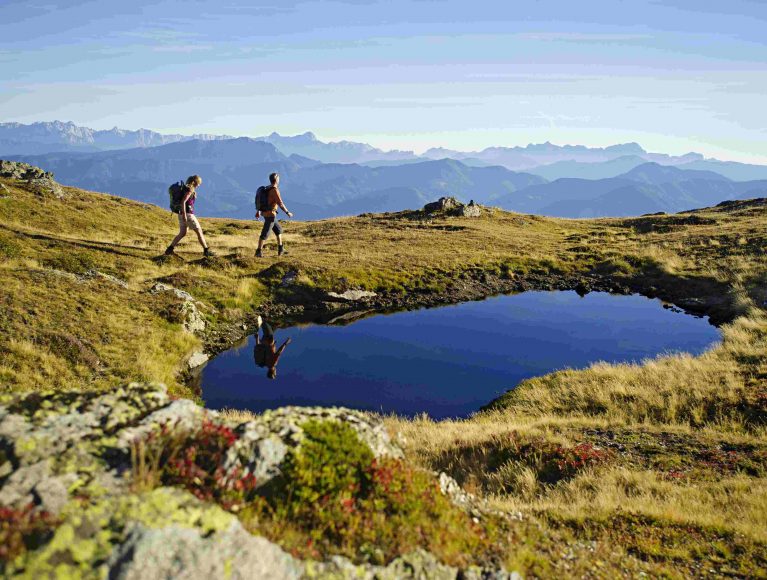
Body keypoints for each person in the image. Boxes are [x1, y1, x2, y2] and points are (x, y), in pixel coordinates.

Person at [165, 175, 216, 257]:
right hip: (188, 214)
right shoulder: (189, 190)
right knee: (199, 232)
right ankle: (206, 251)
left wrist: (183, 214)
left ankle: (169, 249)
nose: (199, 185)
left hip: (181, 214)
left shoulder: (185, 188)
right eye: (199, 183)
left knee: (182, 233)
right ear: (195, 182)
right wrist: (185, 214)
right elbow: (183, 202)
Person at [255, 172, 293, 258]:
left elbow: (262, 201)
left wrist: (258, 211)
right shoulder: (274, 190)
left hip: (267, 213)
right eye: (279, 178)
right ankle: (258, 252)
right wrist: (287, 212)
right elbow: (280, 203)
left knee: (278, 230)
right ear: (276, 180)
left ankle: (281, 248)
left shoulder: (267, 188)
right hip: (270, 215)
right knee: (265, 233)